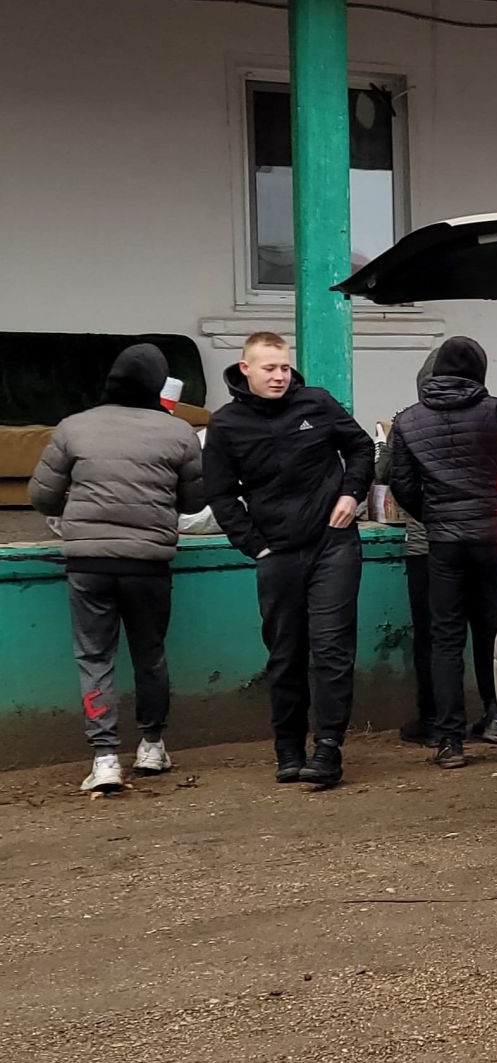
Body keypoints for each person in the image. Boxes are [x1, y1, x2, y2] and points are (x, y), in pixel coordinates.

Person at [29, 344, 206, 793]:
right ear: (157, 385)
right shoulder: (179, 433)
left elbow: (42, 496)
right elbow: (194, 500)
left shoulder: (75, 427)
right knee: (150, 654)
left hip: (88, 564)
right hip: (148, 565)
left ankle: (105, 757)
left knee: (94, 657)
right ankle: (151, 745)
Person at [203, 331, 375, 789]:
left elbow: (361, 447)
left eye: (283, 367)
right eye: (269, 368)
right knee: (285, 654)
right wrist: (253, 544)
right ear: (245, 370)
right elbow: (219, 493)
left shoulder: (316, 403)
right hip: (276, 551)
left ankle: (329, 748)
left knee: (332, 649)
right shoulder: (226, 426)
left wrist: (351, 493)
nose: (279, 376)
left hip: (333, 543)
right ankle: (288, 748)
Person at [387, 336, 497, 769]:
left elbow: (401, 483)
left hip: (443, 543)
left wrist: (434, 516)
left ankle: (449, 739)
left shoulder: (408, 421)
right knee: (492, 629)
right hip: (493, 539)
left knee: (445, 639)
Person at [376, 351, 436, 748]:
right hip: (484, 543)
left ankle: (434, 721)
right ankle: (495, 715)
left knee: (431, 637)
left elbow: (384, 475)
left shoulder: (408, 421)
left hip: (425, 546)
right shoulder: (496, 414)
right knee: (485, 632)